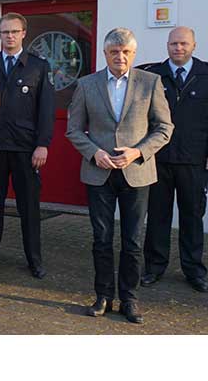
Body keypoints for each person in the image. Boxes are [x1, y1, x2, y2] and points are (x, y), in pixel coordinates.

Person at [66, 27, 173, 324]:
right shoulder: (87, 84)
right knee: (101, 239)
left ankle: (130, 298)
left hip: (136, 173)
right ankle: (103, 295)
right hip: (98, 173)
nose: (120, 57)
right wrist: (94, 152)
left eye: (126, 52)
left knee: (133, 241)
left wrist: (137, 152)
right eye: (114, 52)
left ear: (133, 54)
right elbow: (73, 129)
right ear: (105, 53)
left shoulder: (150, 83)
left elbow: (164, 128)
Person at [140, 26, 208, 293]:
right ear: (167, 45)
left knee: (192, 216)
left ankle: (194, 270)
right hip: (159, 158)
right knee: (157, 216)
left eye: (183, 44)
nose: (178, 48)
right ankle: (154, 267)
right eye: (174, 44)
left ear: (193, 45)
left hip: (194, 159)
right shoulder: (152, 73)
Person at [0, 12, 54, 279]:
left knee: (29, 208)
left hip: (26, 150)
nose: (9, 36)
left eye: (14, 32)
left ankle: (34, 259)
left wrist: (42, 144)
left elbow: (46, 110)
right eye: (4, 32)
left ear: (24, 34)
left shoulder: (38, 67)